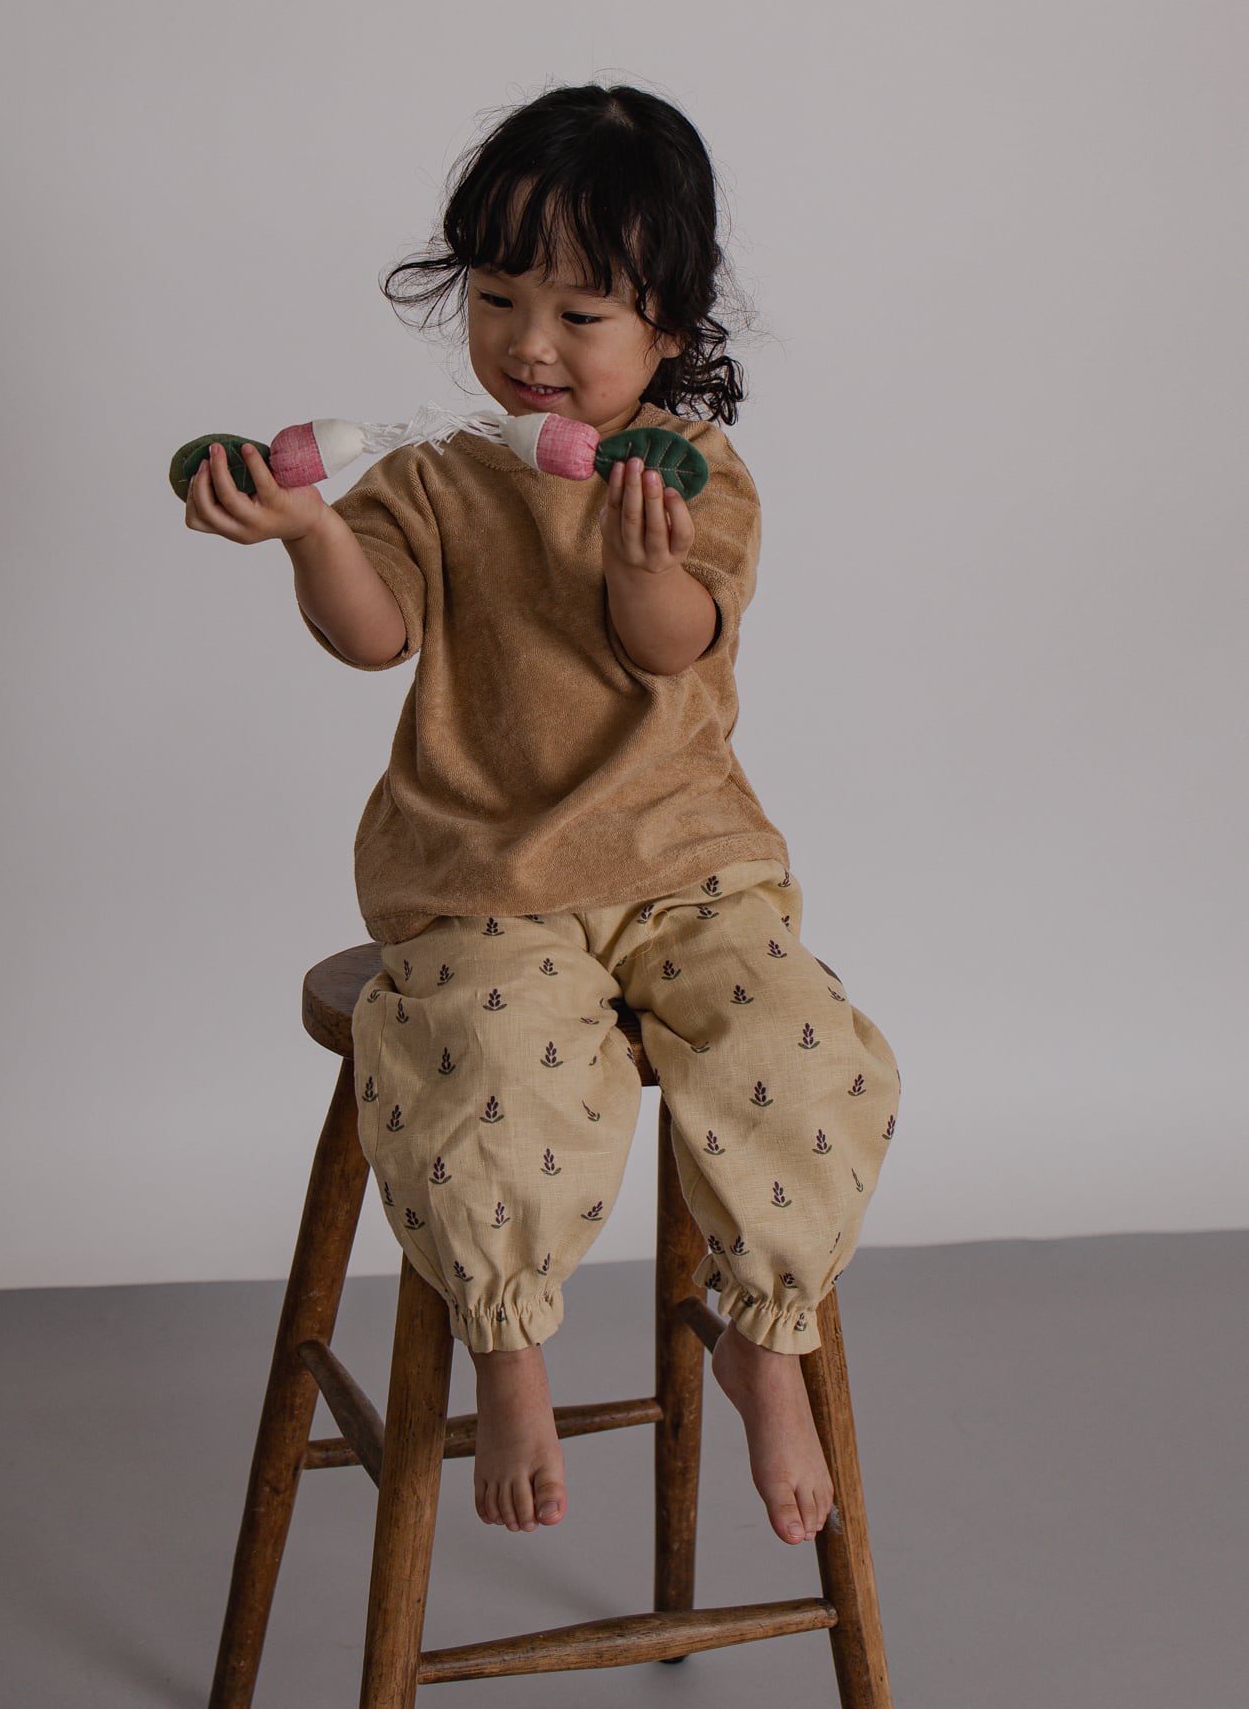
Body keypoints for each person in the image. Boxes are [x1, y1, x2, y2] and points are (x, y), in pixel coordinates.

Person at [183, 83, 900, 1548]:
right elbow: (372, 637)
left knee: (801, 1050)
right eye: (498, 298)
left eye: (580, 314)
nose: (528, 344)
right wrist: (309, 530)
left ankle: (765, 1334)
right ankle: (505, 1348)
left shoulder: (692, 476)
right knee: (496, 1073)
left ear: (668, 328)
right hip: (482, 874)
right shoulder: (435, 479)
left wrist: (640, 558)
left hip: (684, 862)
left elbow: (668, 645)